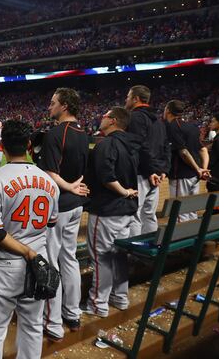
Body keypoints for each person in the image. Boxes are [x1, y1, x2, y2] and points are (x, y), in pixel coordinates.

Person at [0, 120, 59, 359]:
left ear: (1, 147)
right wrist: (31, 251)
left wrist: (25, 252)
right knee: (33, 326)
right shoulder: (49, 182)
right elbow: (50, 223)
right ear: (29, 145)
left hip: (4, 265)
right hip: (38, 266)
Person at [38, 88, 90, 341]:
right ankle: (73, 314)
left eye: (53, 103)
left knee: (51, 262)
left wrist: (67, 186)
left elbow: (49, 172)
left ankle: (53, 322)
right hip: (76, 204)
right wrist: (74, 187)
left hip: (58, 205)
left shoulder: (56, 133)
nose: (49, 107)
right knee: (69, 259)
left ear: (65, 106)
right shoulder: (84, 133)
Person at [82, 107, 140, 318]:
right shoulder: (132, 144)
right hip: (126, 211)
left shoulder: (106, 143)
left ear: (113, 121)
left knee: (101, 259)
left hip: (108, 209)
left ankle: (98, 304)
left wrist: (123, 192)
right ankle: (120, 298)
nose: (101, 118)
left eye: (105, 116)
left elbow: (107, 177)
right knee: (118, 257)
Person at [124, 85, 170, 236]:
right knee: (149, 214)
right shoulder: (158, 120)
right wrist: (162, 170)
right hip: (154, 174)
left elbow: (140, 146)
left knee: (134, 215)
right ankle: (149, 250)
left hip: (141, 173)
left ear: (136, 99)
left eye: (129, 96)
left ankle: (135, 253)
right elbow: (165, 147)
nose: (126, 99)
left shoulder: (135, 117)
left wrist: (151, 171)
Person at [163, 100, 210, 222]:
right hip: (195, 176)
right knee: (191, 209)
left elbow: (183, 152)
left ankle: (181, 239)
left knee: (179, 211)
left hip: (182, 175)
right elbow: (203, 150)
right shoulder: (192, 126)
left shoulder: (172, 126)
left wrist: (198, 168)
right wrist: (203, 168)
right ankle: (191, 238)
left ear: (168, 110)